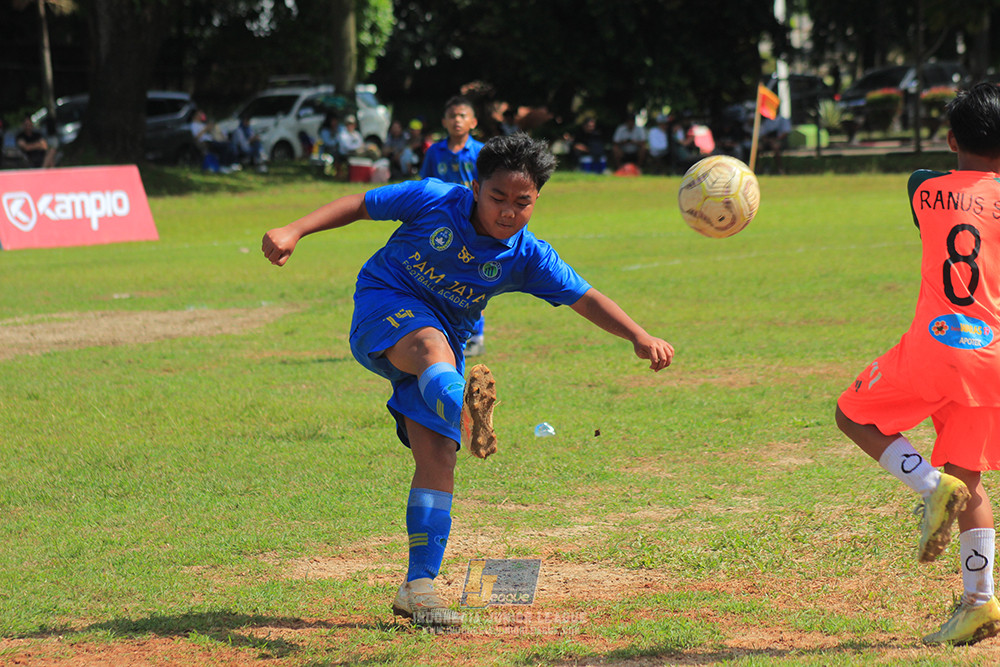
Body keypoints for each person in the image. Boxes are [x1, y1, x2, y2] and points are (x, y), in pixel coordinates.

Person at [261, 133, 674, 627]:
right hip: (385, 300)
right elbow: (360, 204)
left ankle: (418, 587)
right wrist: (294, 230)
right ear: (475, 187)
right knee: (430, 346)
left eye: (522, 203)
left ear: (536, 200)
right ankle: (465, 402)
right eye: (497, 197)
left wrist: (638, 335)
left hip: (444, 345)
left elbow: (583, 296)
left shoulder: (527, 256)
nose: (508, 212)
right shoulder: (433, 198)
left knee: (438, 457)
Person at [835, 82, 1000, 646]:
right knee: (969, 477)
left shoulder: (923, 188)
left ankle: (930, 485)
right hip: (993, 360)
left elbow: (932, 180)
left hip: (935, 348)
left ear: (951, 139)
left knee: (853, 413)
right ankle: (979, 602)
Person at [420, 95, 488, 356]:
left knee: (473, 279)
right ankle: (447, 332)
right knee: (441, 277)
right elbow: (425, 186)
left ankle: (476, 336)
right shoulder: (434, 152)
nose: (457, 120)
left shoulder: (481, 152)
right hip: (443, 225)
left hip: (474, 225)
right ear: (444, 121)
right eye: (452, 116)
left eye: (462, 116)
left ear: (473, 122)